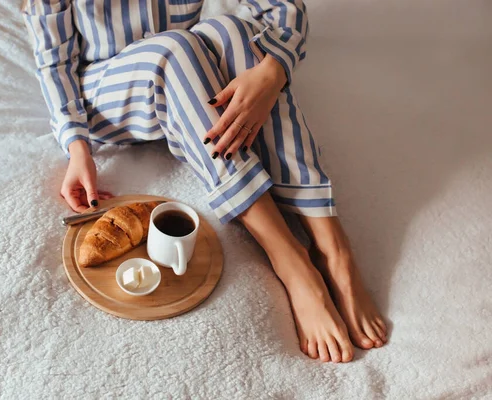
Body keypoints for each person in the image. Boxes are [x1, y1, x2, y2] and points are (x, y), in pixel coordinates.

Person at [22, 0, 387, 362]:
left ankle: (333, 247)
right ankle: (288, 257)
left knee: (232, 31)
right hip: (106, 92)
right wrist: (78, 147)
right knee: (174, 46)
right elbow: (55, 63)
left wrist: (273, 70)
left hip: (187, 74)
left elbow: (283, 6)